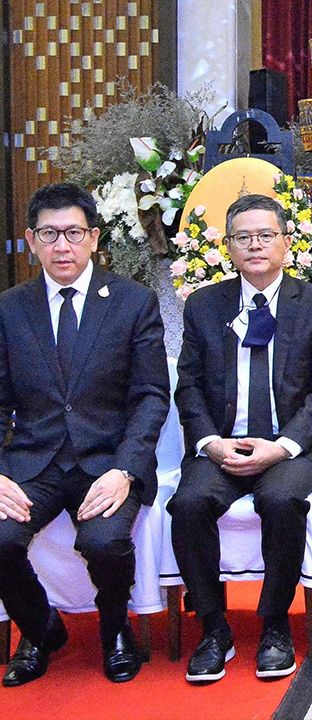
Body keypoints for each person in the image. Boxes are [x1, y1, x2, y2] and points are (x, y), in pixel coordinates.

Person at [0, 183, 169, 686]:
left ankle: (117, 630)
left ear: (94, 237)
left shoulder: (132, 302)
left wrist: (125, 470)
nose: (62, 246)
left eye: (73, 233)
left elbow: (151, 396)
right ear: (31, 241)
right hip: (36, 462)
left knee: (103, 540)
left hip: (108, 460)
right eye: (49, 234)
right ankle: (41, 628)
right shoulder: (10, 308)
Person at [170, 193, 312, 683]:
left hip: (291, 445)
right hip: (224, 442)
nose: (255, 246)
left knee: (283, 498)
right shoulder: (205, 305)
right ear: (228, 247)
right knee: (189, 503)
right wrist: (209, 442)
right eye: (243, 237)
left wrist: (282, 446)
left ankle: (273, 626)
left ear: (286, 243)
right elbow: (189, 386)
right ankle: (212, 626)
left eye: (265, 235)